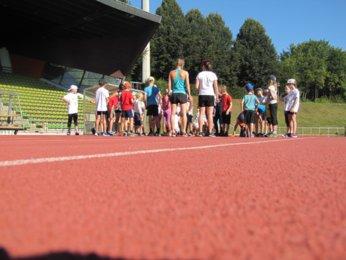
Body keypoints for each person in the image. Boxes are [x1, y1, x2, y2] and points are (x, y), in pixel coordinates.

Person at [168, 58, 191, 137]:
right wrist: (189, 94)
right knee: (184, 113)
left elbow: (169, 85)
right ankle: (183, 131)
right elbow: (187, 85)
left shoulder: (171, 72)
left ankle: (172, 130)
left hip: (174, 93)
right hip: (182, 93)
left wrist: (169, 93)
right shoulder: (185, 73)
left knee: (173, 113)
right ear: (182, 64)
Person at [196, 60, 218, 137]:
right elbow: (215, 87)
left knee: (201, 113)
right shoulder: (213, 75)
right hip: (210, 95)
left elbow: (196, 87)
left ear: (204, 66)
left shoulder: (200, 74)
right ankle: (210, 131)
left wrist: (201, 89)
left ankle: (200, 131)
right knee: (210, 114)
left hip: (202, 94)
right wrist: (217, 96)